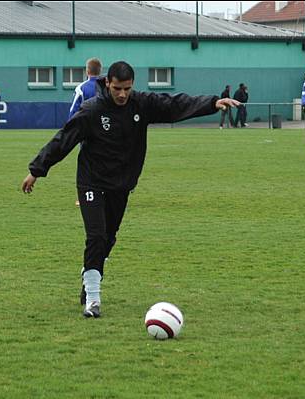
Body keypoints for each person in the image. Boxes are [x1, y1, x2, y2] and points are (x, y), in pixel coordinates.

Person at [21, 61, 239, 318]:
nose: (122, 94)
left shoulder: (141, 104)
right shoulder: (92, 110)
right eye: (117, 88)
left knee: (108, 239)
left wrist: (211, 103)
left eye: (126, 88)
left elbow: (174, 104)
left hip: (120, 185)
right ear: (107, 84)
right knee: (97, 236)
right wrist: (37, 170)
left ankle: (90, 274)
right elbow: (63, 140)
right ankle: (92, 299)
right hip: (91, 181)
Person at [69, 57, 103, 206]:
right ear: (100, 70)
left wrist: (72, 131)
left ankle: (85, 196)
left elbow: (73, 112)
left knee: (87, 166)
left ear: (87, 71)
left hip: (88, 133)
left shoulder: (82, 88)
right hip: (106, 131)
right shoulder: (107, 86)